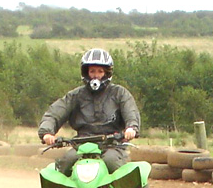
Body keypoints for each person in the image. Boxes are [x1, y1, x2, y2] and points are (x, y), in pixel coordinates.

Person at [38, 48, 141, 176]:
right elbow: (55, 112)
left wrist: (131, 127)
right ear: (86, 72)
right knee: (66, 163)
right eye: (92, 71)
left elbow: (130, 111)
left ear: (107, 73)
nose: (96, 75)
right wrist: (47, 132)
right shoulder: (76, 95)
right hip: (81, 144)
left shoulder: (119, 93)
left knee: (112, 162)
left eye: (100, 71)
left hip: (112, 144)